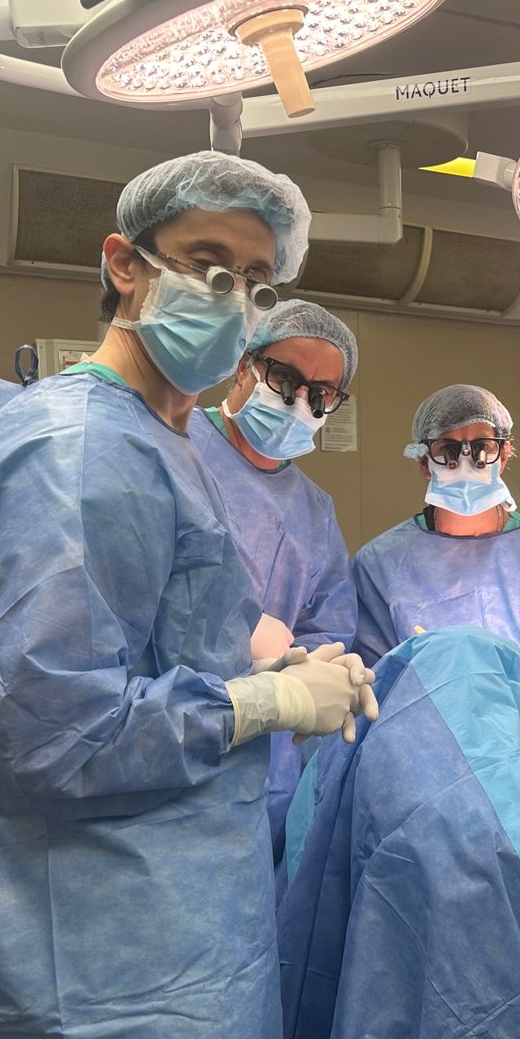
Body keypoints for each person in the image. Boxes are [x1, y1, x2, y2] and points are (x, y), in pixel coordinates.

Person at [0, 151, 377, 1039]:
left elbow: (166, 634)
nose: (233, 299)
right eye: (209, 266)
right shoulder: (77, 449)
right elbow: (60, 737)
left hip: (176, 915)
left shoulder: (160, 439)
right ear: (125, 263)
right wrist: (267, 702)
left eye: (256, 282)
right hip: (103, 947)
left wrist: (273, 662)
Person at [190, 299, 359, 858]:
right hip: (170, 730)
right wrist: (235, 637)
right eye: (285, 378)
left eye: (321, 393)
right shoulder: (172, 449)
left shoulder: (313, 510)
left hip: (269, 761)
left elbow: (325, 627)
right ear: (244, 366)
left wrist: (311, 670)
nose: (300, 400)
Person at [351, 383, 520, 664]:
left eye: (482, 447)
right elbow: (375, 674)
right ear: (424, 462)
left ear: (504, 455)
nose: (466, 461)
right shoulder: (381, 564)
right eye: (449, 448)